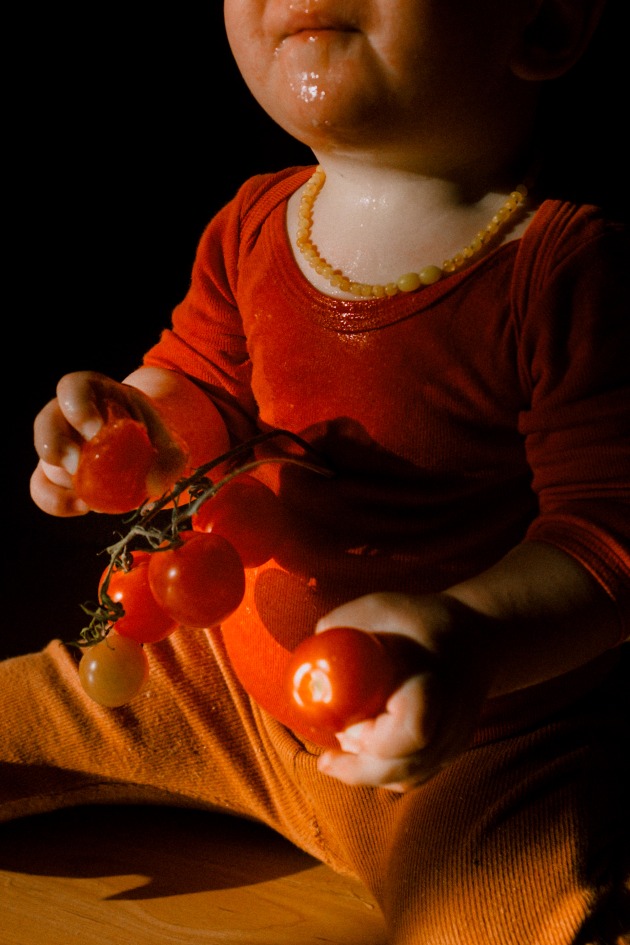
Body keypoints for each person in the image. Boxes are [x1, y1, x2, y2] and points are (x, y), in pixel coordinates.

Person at [3, 0, 629, 942]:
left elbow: (609, 537)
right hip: (215, 691)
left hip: (472, 747)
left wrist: (466, 637)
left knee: (513, 914)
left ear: (542, 25)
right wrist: (122, 425)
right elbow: (200, 390)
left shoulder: (570, 271)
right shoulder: (253, 222)